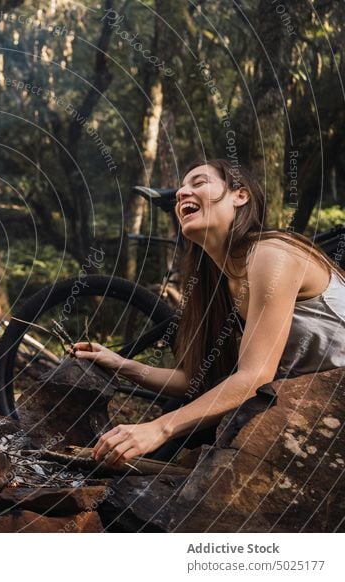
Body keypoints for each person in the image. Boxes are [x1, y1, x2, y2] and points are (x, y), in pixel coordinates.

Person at [73, 159, 345, 467]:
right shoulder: (219, 282)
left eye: (198, 183)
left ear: (239, 196)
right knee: (185, 408)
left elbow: (255, 376)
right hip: (315, 403)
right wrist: (121, 364)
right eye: (181, 189)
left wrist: (158, 429)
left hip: (334, 404)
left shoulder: (272, 255)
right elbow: (198, 381)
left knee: (191, 423)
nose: (181, 193)